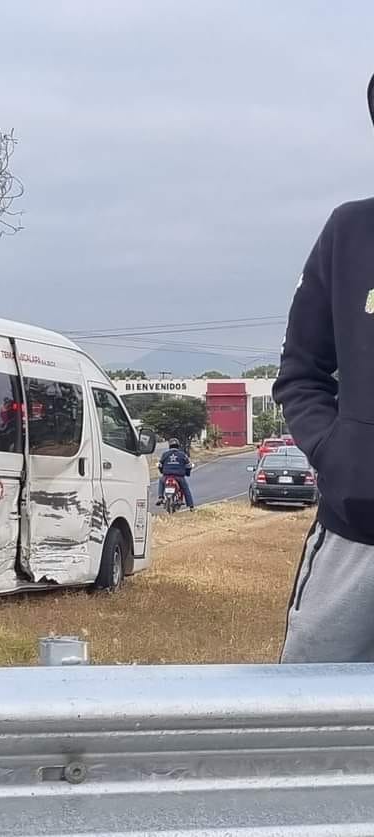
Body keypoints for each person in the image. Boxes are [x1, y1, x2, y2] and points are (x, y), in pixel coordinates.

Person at [274, 75, 374, 663]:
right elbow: (301, 369)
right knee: (303, 729)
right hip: (355, 543)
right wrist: (341, 454)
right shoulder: (350, 233)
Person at [156, 438, 195, 510]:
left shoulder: (165, 454)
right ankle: (191, 506)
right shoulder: (182, 455)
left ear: (169, 446)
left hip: (166, 476)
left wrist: (162, 471)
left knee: (161, 481)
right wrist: (187, 472)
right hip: (179, 477)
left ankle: (160, 497)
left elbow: (160, 465)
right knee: (186, 489)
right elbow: (188, 466)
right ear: (178, 446)